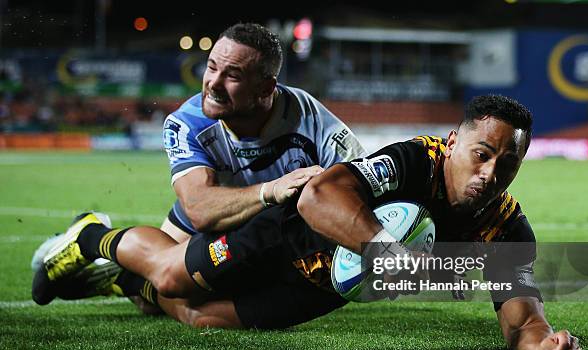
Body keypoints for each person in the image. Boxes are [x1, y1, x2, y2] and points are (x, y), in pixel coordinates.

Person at [34, 95, 584, 350]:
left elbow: (522, 324)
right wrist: (383, 250)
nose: (489, 174)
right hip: (287, 231)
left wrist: (546, 344)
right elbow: (321, 195)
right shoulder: (416, 159)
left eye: (505, 165)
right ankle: (91, 237)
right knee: (174, 277)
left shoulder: (508, 230)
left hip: (326, 282)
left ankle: (118, 279)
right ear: (455, 141)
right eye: (481, 155)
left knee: (202, 317)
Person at [31, 22, 364, 308]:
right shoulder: (186, 123)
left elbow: (360, 186)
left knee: (168, 298)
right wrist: (271, 190)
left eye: (232, 75)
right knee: (168, 290)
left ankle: (116, 276)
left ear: (265, 88)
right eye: (211, 67)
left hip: (267, 226)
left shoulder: (312, 120)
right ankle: (92, 236)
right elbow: (201, 209)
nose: (213, 83)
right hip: (215, 209)